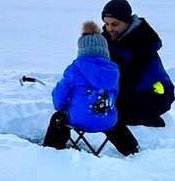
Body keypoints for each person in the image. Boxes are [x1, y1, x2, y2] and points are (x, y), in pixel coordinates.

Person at [43, 21, 139, 156]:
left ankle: (52, 152)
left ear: (81, 50)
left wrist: (62, 108)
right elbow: (115, 95)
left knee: (58, 118)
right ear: (105, 50)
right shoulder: (114, 71)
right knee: (115, 121)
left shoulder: (74, 70)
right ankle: (132, 150)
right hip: (107, 121)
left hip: (79, 120)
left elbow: (60, 99)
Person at [100, 0, 175, 127]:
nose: (110, 28)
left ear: (127, 22)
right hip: (126, 90)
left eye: (115, 24)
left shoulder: (142, 42)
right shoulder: (107, 38)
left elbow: (130, 80)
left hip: (157, 94)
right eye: (107, 24)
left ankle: (148, 125)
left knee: (114, 113)